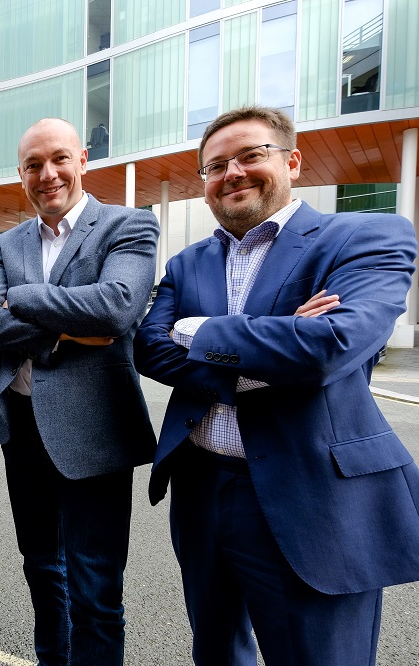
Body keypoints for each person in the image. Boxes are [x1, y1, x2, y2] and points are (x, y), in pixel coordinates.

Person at [134, 105, 419, 666]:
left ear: (291, 160)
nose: (232, 172)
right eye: (215, 166)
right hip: (201, 486)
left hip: (311, 492)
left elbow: (328, 348)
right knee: (215, 651)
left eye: (250, 155)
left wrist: (194, 331)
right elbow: (148, 347)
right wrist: (276, 343)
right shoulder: (187, 262)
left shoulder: (364, 234)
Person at [0, 118, 159, 665]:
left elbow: (117, 307)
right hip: (21, 427)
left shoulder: (129, 224)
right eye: (33, 165)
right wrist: (70, 324)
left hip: (93, 428)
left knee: (95, 585)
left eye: (58, 159)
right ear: (21, 175)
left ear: (83, 159)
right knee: (40, 567)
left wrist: (20, 299)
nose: (47, 174)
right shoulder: (8, 240)